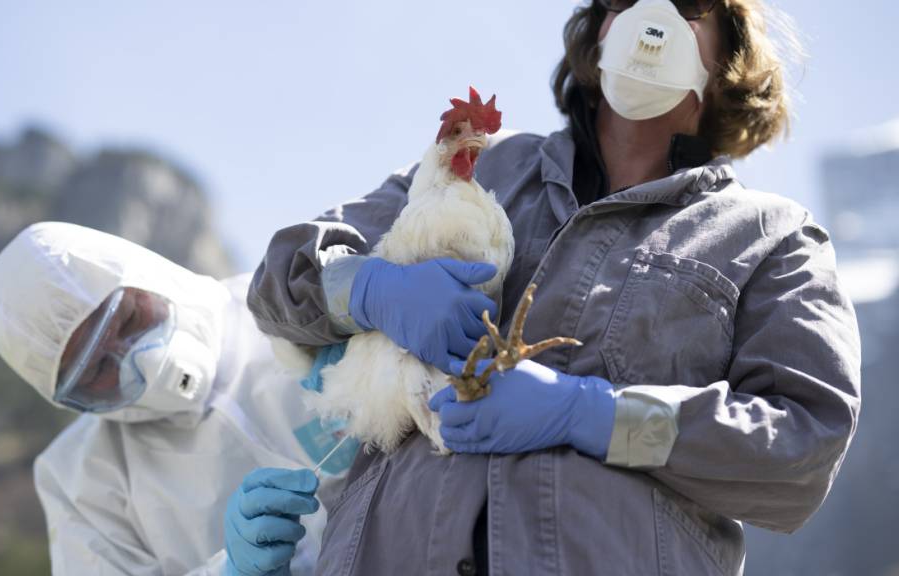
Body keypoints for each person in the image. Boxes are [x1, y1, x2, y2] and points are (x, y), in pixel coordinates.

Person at [247, 0, 861, 574]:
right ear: (599, 29)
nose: (653, 16)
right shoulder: (484, 167)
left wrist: (591, 414)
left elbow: (798, 450)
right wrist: (369, 289)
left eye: (687, 2)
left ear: (729, 47)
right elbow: (280, 280)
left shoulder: (770, 237)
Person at [0, 221, 352, 576]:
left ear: (145, 275)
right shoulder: (81, 482)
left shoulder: (287, 299)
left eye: (128, 319)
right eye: (95, 371)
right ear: (72, 398)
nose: (132, 360)